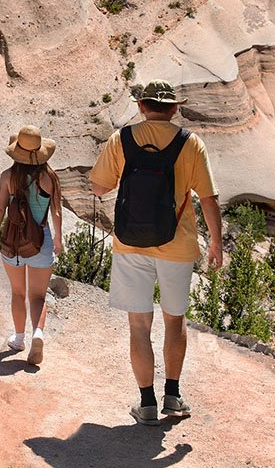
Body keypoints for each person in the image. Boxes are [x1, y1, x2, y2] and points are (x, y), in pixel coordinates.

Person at [89, 80, 223, 426]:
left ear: (142, 106)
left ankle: (146, 402)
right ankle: (173, 395)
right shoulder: (190, 143)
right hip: (177, 247)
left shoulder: (122, 139)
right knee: (174, 320)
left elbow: (99, 186)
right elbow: (208, 198)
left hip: (131, 244)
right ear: (175, 108)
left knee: (138, 325)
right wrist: (216, 245)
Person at [0, 126, 63, 366]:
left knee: (18, 293)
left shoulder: (7, 177)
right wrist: (58, 239)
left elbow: (0, 208)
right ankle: (37, 333)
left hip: (13, 242)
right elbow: (56, 210)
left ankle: (18, 338)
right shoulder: (49, 177)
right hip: (40, 241)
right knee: (38, 295)